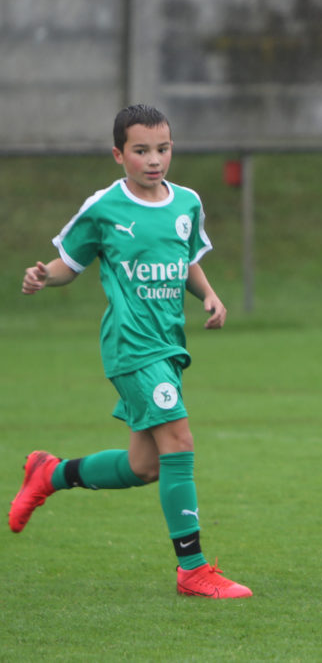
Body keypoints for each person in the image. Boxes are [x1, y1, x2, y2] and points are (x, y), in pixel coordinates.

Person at [10, 104, 251, 598]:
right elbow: (68, 263)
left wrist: (207, 293)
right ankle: (193, 570)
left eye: (162, 149)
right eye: (141, 150)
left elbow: (183, 259)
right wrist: (42, 277)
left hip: (168, 345)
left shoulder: (186, 202)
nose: (153, 160)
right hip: (131, 345)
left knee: (146, 466)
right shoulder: (104, 207)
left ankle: (51, 473)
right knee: (179, 443)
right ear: (119, 153)